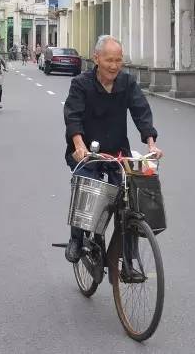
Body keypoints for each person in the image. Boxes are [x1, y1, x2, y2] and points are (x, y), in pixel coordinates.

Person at [62, 34, 162, 264]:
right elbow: (73, 116)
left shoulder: (127, 82)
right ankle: (76, 238)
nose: (114, 66)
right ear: (96, 58)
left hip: (117, 152)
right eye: (109, 60)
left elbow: (141, 111)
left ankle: (129, 254)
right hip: (88, 153)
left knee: (132, 197)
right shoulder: (81, 84)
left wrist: (151, 143)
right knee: (86, 186)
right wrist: (79, 145)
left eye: (119, 60)